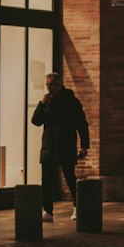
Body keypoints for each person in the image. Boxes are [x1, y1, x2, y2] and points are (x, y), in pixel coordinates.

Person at [31, 72, 90, 222]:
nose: (49, 88)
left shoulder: (71, 102)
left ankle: (78, 206)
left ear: (59, 85)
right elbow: (36, 121)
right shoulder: (47, 102)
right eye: (47, 85)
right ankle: (48, 211)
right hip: (49, 146)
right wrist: (42, 104)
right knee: (46, 180)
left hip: (65, 144)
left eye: (52, 85)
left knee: (70, 177)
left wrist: (84, 145)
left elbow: (81, 124)